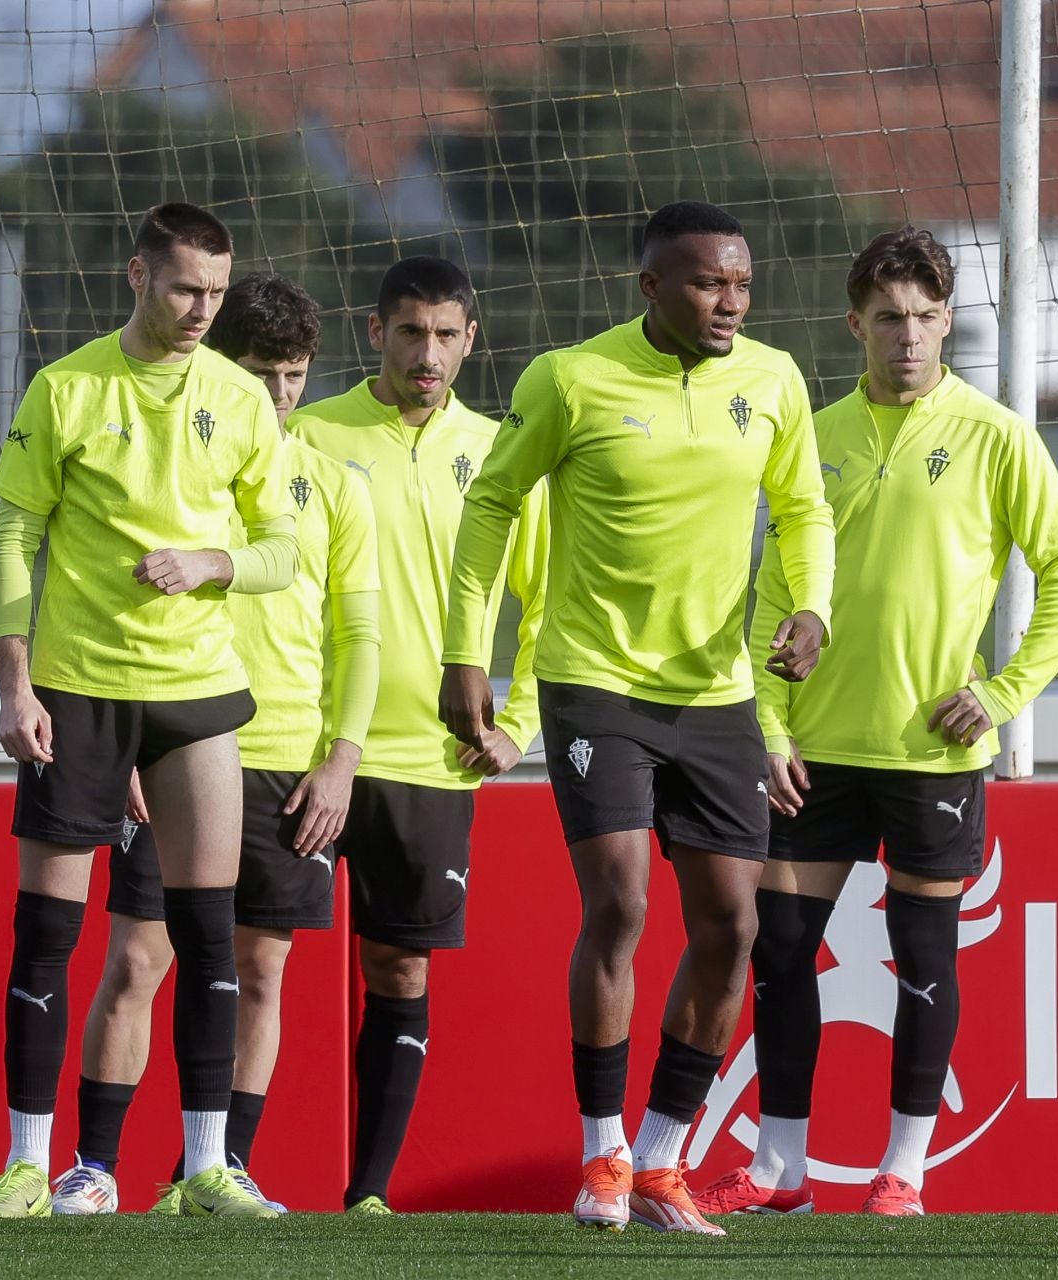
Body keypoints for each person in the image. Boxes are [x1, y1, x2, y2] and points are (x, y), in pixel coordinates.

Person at [439, 201, 835, 1235]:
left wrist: (810, 604)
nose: (730, 303)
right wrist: (464, 654)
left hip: (716, 693)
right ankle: (601, 1153)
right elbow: (490, 505)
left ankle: (662, 1156)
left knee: (733, 926)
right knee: (619, 904)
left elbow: (804, 510)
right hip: (594, 679)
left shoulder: (773, 380)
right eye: (708, 283)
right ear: (651, 286)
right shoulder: (570, 379)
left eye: (742, 284)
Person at [693, 226, 1058, 1218]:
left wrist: (1003, 695)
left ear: (947, 321)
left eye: (924, 317)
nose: (907, 336)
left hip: (932, 751)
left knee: (924, 955)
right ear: (855, 325)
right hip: (814, 752)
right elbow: (771, 594)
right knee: (779, 948)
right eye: (888, 318)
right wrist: (775, 728)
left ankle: (902, 1170)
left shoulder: (996, 434)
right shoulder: (815, 436)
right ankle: (782, 1166)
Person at [0, 203, 298, 1219]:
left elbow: (281, 551)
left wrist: (214, 562)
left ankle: (205, 1165)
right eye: (184, 288)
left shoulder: (243, 401)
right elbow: (13, 535)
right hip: (75, 694)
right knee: (46, 934)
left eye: (214, 290)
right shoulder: (67, 386)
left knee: (207, 934)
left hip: (196, 694)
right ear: (138, 277)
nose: (202, 308)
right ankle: (32, 1165)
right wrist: (16, 684)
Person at [47, 274, 382, 1217]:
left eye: (296, 377)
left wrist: (341, 760)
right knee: (139, 963)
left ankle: (217, 1169)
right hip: (180, 742)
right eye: (264, 374)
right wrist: (136, 747)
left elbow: (360, 633)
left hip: (287, 764)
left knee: (259, 970)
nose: (280, 397)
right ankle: (94, 1166)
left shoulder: (332, 488)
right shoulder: (175, 474)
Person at [289, 256, 547, 1214]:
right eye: (409, 333)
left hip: (432, 763)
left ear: (471, 338)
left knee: (397, 966)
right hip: (308, 753)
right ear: (374, 333)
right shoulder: (310, 434)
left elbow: (554, 601)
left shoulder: (504, 452)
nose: (427, 354)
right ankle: (216, 1174)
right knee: (253, 957)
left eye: (445, 335)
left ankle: (367, 1196)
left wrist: (518, 726)